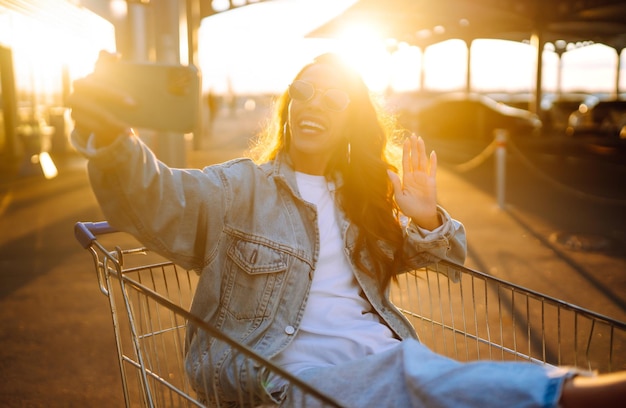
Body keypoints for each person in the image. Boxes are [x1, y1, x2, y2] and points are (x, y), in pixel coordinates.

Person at [69, 52, 626, 407]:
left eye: (334, 99)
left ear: (349, 120)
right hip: (287, 382)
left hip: (380, 364)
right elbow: (156, 199)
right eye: (304, 92)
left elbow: (449, 263)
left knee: (408, 373)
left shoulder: (364, 200)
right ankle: (576, 396)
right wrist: (113, 139)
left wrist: (427, 214)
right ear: (289, 106)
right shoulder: (240, 188)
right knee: (411, 374)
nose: (315, 105)